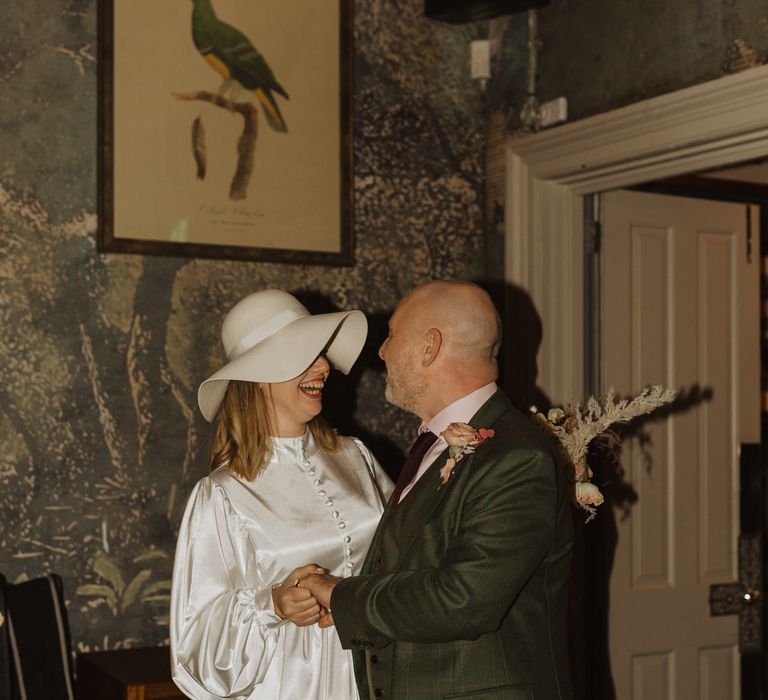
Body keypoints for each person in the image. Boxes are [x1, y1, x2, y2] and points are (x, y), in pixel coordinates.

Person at [300, 280, 574, 700]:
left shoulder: (518, 457)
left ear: (430, 347)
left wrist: (343, 598)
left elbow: (464, 598)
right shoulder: (435, 444)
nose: (382, 351)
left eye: (391, 335)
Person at [170, 290, 393, 700]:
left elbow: (408, 554)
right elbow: (195, 646)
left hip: (381, 677)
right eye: (306, 354)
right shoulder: (222, 494)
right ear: (258, 377)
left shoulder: (356, 456)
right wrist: (272, 604)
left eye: (321, 353)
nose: (324, 366)